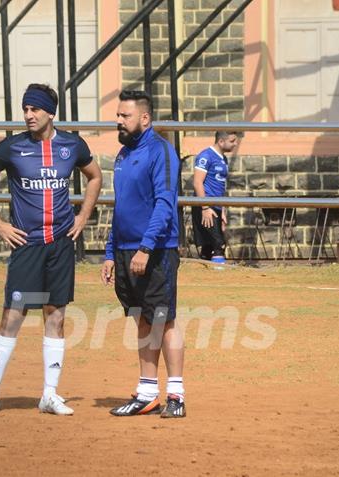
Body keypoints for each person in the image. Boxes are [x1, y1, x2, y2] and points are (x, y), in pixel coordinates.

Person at [0, 83, 103, 416]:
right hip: (27, 244)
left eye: (35, 109)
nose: (28, 115)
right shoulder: (12, 147)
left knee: (55, 318)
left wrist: (83, 215)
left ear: (50, 113)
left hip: (60, 244)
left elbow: (95, 176)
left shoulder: (72, 145)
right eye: (25, 109)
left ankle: (49, 394)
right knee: (11, 318)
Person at [101, 90, 186, 418]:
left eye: (125, 116)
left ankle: (176, 395)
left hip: (155, 251)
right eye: (118, 115)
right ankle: (148, 394)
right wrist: (110, 252)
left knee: (164, 321)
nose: (118, 121)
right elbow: (121, 208)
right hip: (124, 252)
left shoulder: (161, 151)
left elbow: (165, 202)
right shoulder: (123, 155)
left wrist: (146, 247)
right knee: (142, 320)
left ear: (145, 119)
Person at [191, 131, 240, 264]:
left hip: (216, 206)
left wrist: (222, 210)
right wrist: (205, 207)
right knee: (219, 243)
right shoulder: (206, 156)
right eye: (232, 141)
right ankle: (219, 275)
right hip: (206, 206)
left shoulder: (223, 158)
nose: (235, 144)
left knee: (209, 246)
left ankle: (205, 278)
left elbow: (221, 185)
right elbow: (197, 182)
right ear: (221, 141)